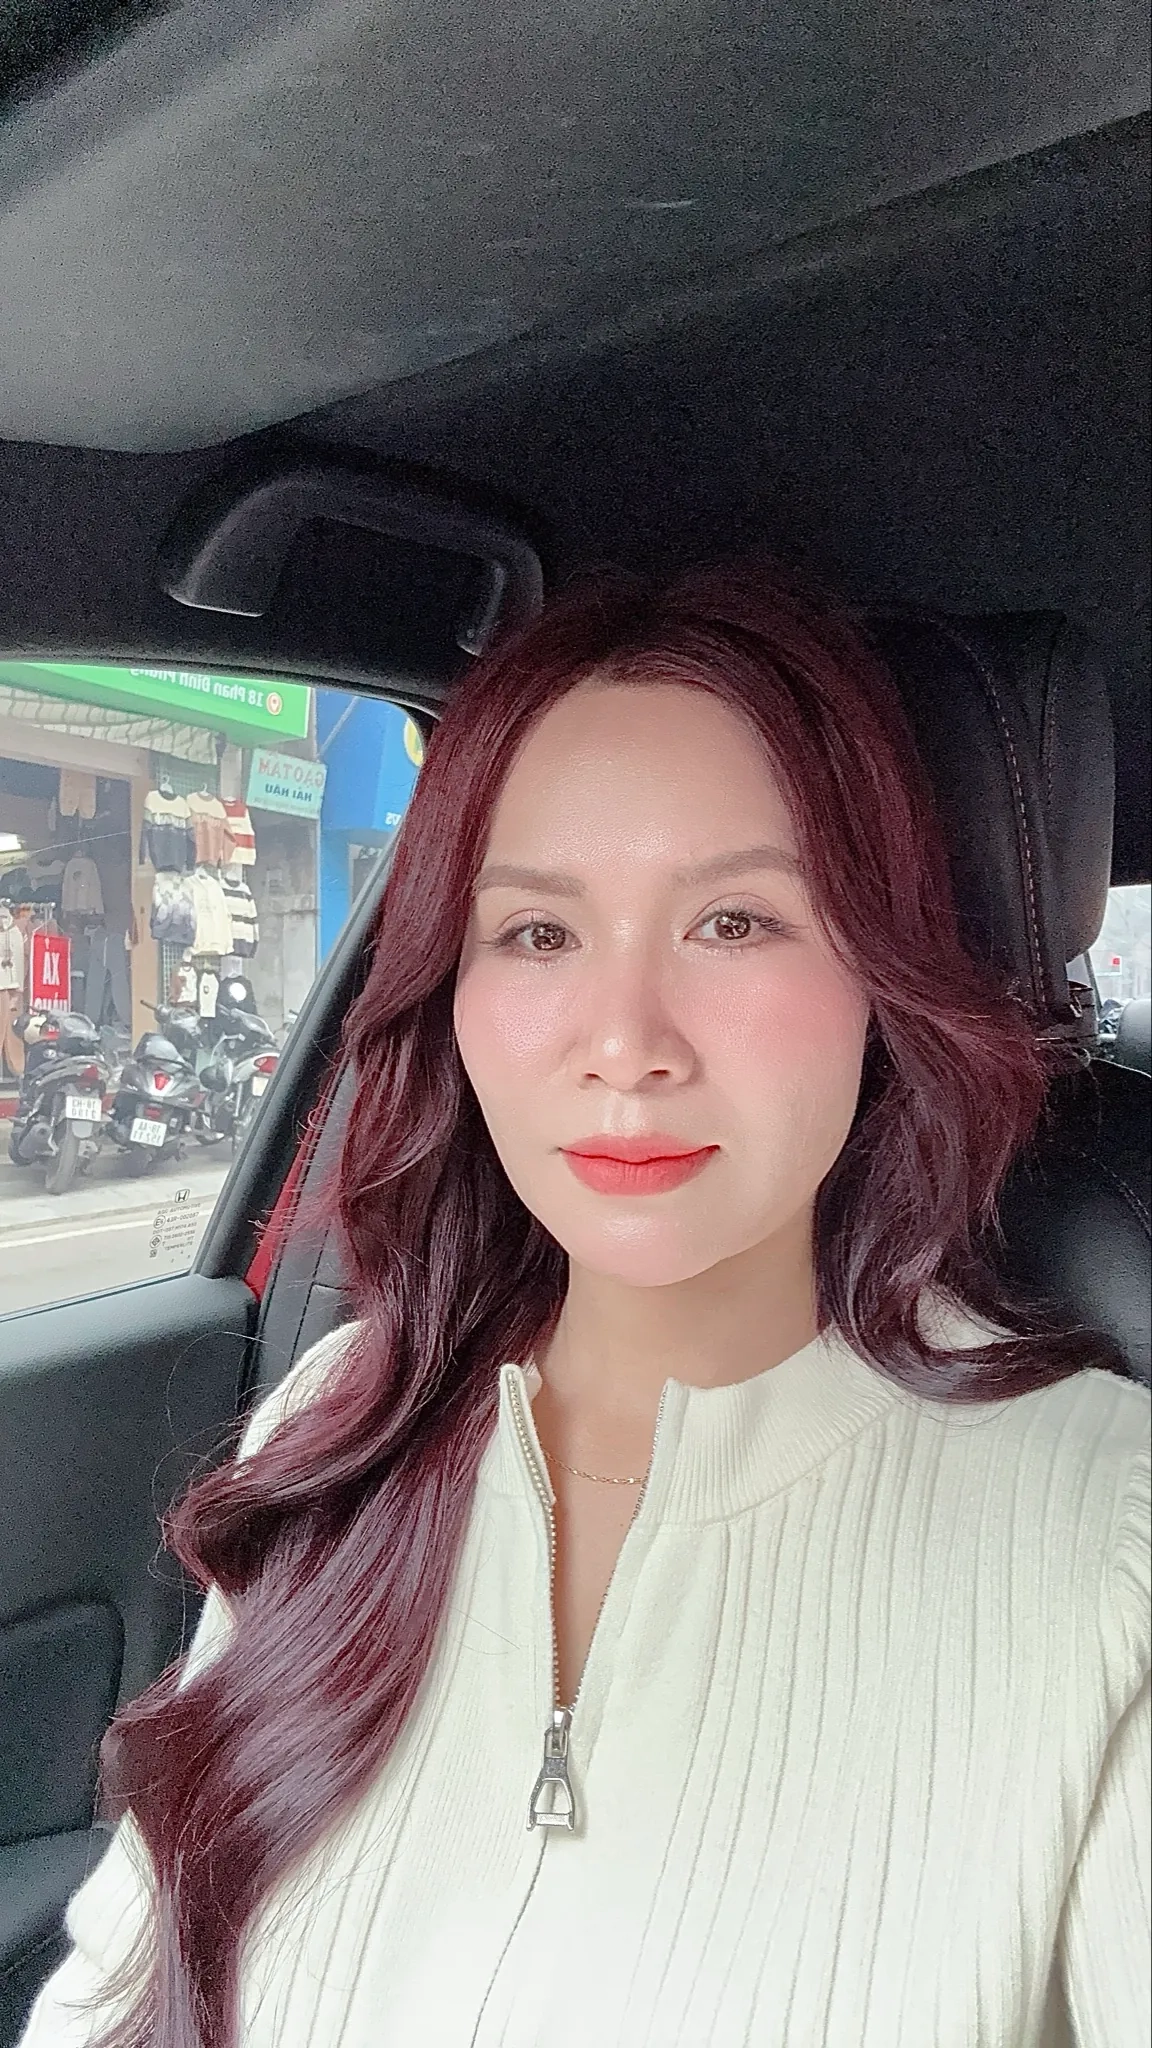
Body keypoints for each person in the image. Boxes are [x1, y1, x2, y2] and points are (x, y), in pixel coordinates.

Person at [19, 566, 1149, 2048]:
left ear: (878, 974)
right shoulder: (340, 1422)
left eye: (734, 921)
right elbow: (114, 1989)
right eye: (540, 935)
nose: (626, 1043)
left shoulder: (1105, 1535)